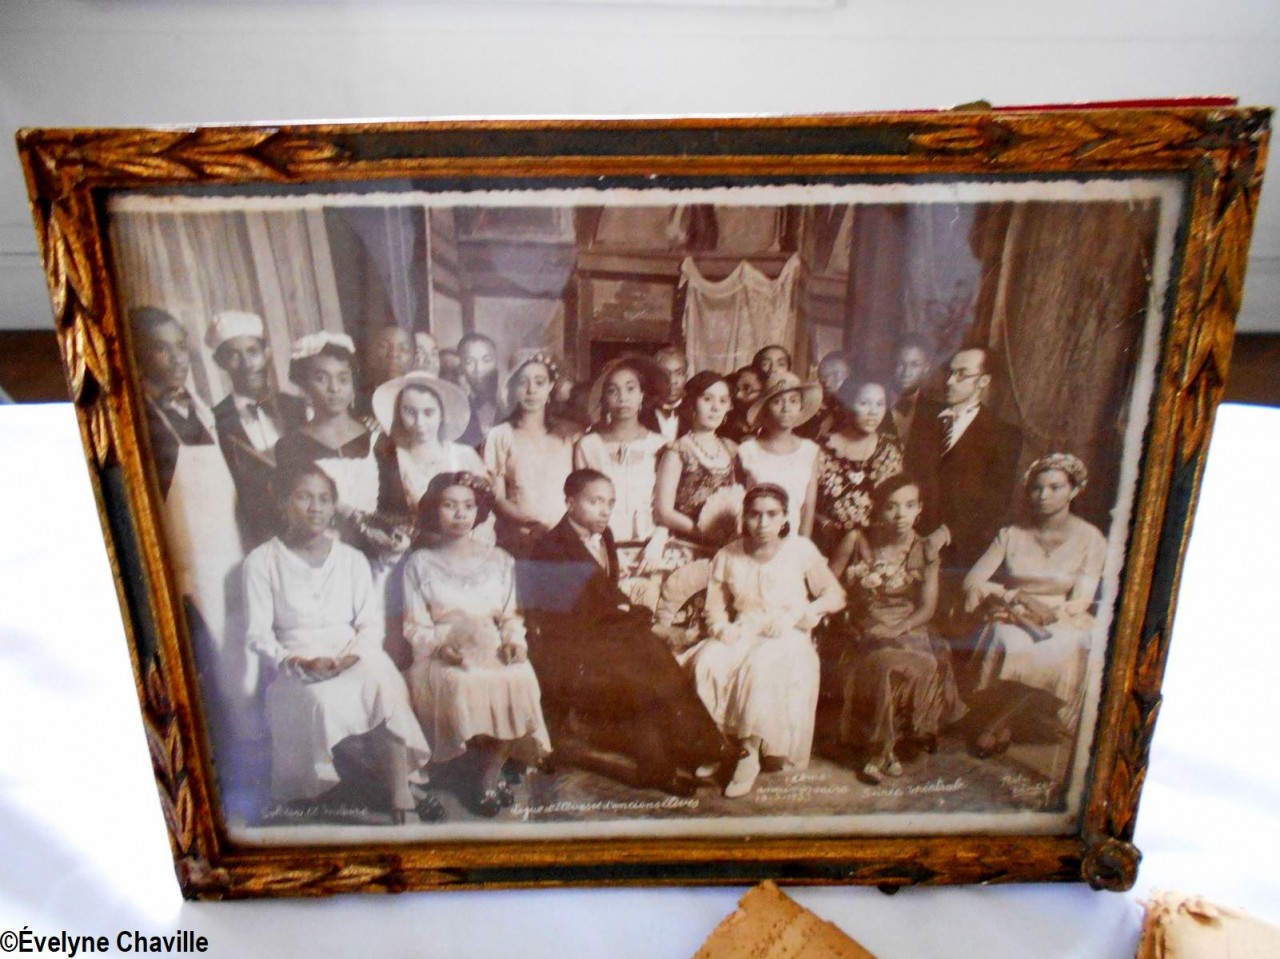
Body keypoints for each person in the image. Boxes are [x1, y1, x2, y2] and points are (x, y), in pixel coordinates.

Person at [520, 470, 731, 797]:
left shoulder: (604, 536)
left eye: (610, 503)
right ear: (570, 502)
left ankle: (684, 754)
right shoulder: (551, 547)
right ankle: (694, 755)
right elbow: (574, 614)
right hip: (567, 645)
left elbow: (608, 594)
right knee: (643, 667)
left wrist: (634, 621)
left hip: (604, 633)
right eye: (595, 502)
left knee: (652, 657)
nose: (605, 510)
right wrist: (643, 623)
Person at [242, 464, 434, 817]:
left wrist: (351, 657)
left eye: (324, 499)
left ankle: (400, 793)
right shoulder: (261, 561)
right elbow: (258, 635)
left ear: (334, 506)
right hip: (298, 661)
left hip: (352, 652)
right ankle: (360, 778)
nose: (315, 508)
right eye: (303, 497)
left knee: (381, 679)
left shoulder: (351, 559)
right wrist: (297, 662)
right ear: (283, 503)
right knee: (320, 699)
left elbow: (369, 624)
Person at [131, 307, 252, 738]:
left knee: (248, 653)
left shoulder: (203, 410)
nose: (177, 358)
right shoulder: (138, 419)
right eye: (161, 350)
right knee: (215, 669)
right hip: (188, 567)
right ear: (137, 354)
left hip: (233, 550)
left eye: (181, 346)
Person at [401, 472, 551, 816]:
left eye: (468, 506)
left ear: (479, 511)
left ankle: (490, 771)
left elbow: (511, 616)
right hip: (441, 650)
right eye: (449, 505)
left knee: (520, 676)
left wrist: (514, 643)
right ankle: (463, 766)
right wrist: (441, 648)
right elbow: (415, 626)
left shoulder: (500, 559)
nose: (460, 514)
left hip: (491, 644)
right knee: (461, 682)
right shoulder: (419, 563)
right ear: (435, 510)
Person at [685, 484, 846, 797]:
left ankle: (749, 753)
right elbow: (715, 608)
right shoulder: (728, 555)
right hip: (745, 629)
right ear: (744, 518)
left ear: (784, 517)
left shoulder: (800, 550)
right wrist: (722, 629)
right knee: (707, 662)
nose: (763, 523)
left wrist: (799, 614)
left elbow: (835, 595)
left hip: (788, 633)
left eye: (772, 514)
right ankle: (719, 746)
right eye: (755, 515)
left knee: (759, 667)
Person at [963, 454, 1107, 756]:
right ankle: (1005, 722)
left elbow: (1082, 598)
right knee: (1010, 640)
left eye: (1055, 487)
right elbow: (973, 580)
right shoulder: (1011, 534)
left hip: (1062, 614)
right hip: (1013, 610)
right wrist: (1013, 596)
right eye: (1037, 488)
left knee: (1067, 644)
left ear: (1074, 490)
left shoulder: (1090, 538)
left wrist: (1052, 614)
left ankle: (998, 724)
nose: (1043, 495)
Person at [829, 475, 965, 782]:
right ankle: (882, 752)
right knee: (882, 663)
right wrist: (845, 607)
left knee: (917, 662)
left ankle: (881, 752)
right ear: (878, 509)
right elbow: (825, 584)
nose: (900, 515)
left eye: (909, 505)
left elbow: (927, 607)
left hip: (909, 625)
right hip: (863, 624)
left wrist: (899, 628)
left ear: (919, 509)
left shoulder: (926, 549)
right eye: (891, 506)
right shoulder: (857, 540)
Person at [905, 345, 1024, 602]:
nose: (950, 381)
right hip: (907, 542)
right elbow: (908, 478)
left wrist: (946, 533)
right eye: (950, 372)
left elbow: (995, 503)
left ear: (983, 381)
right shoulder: (923, 420)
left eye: (961, 374)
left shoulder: (1004, 435)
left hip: (959, 555)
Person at [206, 310, 307, 550]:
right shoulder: (214, 421)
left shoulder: (299, 408)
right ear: (220, 362)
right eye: (234, 355)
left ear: (267, 353)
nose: (247, 364)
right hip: (261, 541)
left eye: (253, 352)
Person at [275, 332, 382, 529]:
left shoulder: (378, 438)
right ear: (305, 385)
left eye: (343, 379)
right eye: (321, 378)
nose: (334, 388)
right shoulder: (290, 445)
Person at [573, 356, 668, 573]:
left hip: (651, 550)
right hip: (602, 549)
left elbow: (667, 504)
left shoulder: (660, 445)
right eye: (612, 391)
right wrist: (601, 548)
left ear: (642, 395)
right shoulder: (588, 446)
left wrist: (659, 541)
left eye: (630, 389)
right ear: (604, 399)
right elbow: (582, 505)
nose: (622, 398)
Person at [483, 353, 578, 557]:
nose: (531, 390)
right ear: (513, 388)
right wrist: (531, 523)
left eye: (539, 382)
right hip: (521, 538)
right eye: (523, 383)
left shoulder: (571, 434)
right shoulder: (500, 435)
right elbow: (497, 497)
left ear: (551, 386)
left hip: (567, 538)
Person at [370, 371, 483, 533]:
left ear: (442, 413)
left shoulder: (463, 456)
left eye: (428, 412)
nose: (419, 422)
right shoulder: (394, 459)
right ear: (399, 412)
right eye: (409, 412)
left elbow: (484, 511)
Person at [653, 371, 743, 554]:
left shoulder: (729, 449)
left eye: (723, 401)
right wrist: (705, 533)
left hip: (724, 548)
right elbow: (662, 512)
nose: (715, 407)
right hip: (686, 547)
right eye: (707, 399)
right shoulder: (678, 451)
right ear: (692, 403)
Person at [814, 379, 904, 555]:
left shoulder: (892, 449)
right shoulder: (820, 449)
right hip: (828, 547)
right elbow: (804, 506)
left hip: (876, 549)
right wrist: (822, 523)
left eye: (880, 404)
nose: (873, 412)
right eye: (864, 403)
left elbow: (899, 503)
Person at [735, 371, 823, 539]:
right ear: (766, 409)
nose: (786, 408)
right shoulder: (747, 450)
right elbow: (738, 506)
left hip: (793, 543)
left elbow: (807, 508)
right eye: (777, 402)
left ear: (801, 407)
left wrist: (801, 549)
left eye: (793, 401)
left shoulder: (809, 451)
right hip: (755, 540)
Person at [457, 332, 504, 448]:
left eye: (486, 360)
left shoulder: (510, 403)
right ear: (461, 367)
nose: (479, 369)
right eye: (469, 362)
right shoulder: (457, 410)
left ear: (496, 363)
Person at [358, 324, 414, 415]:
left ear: (413, 358)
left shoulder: (422, 397)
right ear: (371, 355)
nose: (393, 354)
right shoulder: (358, 399)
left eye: (403, 348)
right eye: (384, 347)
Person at [887, 336, 933, 445]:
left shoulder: (933, 410)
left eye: (914, 365)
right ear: (892, 364)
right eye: (900, 364)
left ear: (926, 367)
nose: (906, 372)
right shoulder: (877, 400)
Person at [798, 350, 851, 443]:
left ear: (850, 376)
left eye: (836, 376)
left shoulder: (858, 411)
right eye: (823, 376)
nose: (827, 382)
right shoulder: (812, 409)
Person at [644, 345, 688, 443]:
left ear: (686, 377)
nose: (672, 381)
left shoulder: (695, 414)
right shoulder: (641, 413)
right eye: (664, 373)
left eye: (679, 373)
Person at [720, 365, 764, 443]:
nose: (738, 395)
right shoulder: (725, 418)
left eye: (747, 389)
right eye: (736, 389)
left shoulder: (770, 425)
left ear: (763, 393)